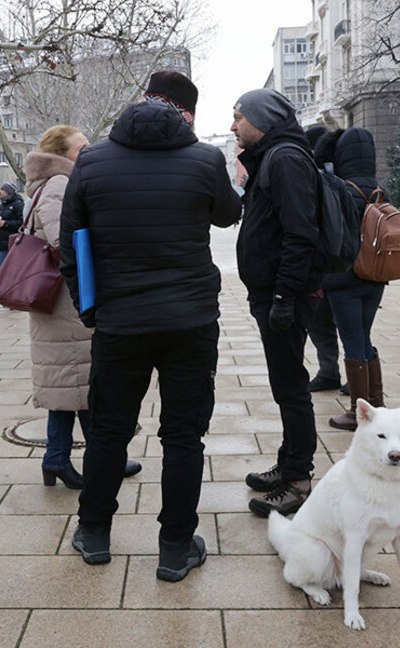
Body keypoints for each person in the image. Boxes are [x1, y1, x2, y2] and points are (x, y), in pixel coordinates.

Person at [60, 71, 240, 581]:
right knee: (184, 437)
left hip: (120, 322)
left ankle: (94, 532)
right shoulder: (206, 160)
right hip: (191, 321)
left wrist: (89, 308)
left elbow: (70, 242)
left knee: (109, 432)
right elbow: (229, 215)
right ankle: (175, 547)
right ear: (185, 115)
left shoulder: (92, 160)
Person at [24, 124, 142, 490]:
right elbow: (66, 241)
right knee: (82, 385)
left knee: (72, 388)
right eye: (82, 148)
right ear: (62, 155)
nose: (89, 153)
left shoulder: (59, 183)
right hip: (66, 304)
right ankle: (97, 459)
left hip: (63, 302)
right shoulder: (60, 185)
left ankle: (66, 459)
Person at [232, 88, 322, 517]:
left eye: (238, 118)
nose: (233, 126)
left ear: (261, 120)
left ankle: (299, 479)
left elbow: (299, 233)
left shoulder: (284, 158)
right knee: (285, 382)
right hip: (273, 292)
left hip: (282, 294)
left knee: (291, 386)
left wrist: (285, 297)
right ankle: (289, 464)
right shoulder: (274, 156)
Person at [317, 128, 389, 432]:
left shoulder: (338, 189)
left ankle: (360, 413)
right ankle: (375, 402)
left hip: (343, 279)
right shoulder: (378, 190)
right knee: (364, 336)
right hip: (375, 275)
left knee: (352, 341)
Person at [302, 125, 345, 395]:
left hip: (331, 266)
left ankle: (335, 371)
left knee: (326, 324)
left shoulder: (330, 181)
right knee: (328, 324)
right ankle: (332, 372)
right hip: (337, 266)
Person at [0, 183, 24, 269]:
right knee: (2, 271)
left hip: (13, 244)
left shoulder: (18, 205)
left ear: (8, 192)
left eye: (2, 190)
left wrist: (5, 223)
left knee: (13, 272)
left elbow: (22, 223)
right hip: (3, 246)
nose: (0, 192)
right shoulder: (1, 207)